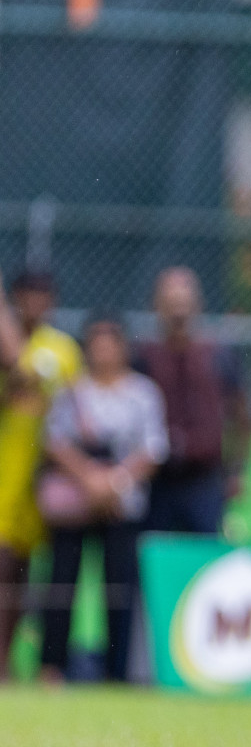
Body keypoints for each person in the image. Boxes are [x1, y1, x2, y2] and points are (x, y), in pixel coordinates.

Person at [38, 315, 167, 683]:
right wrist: (89, 479)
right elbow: (54, 440)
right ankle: (52, 667)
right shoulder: (72, 391)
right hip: (76, 501)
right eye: (97, 344)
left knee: (119, 588)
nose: (104, 352)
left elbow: (154, 448)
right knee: (63, 584)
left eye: (111, 344)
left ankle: (118, 670)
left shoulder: (142, 393)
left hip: (121, 503)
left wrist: (116, 481)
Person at [0, 269, 83, 680]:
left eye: (42, 294)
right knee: (3, 564)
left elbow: (37, 386)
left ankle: (18, 659)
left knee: (23, 571)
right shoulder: (8, 341)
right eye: (25, 295)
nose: (34, 302)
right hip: (6, 468)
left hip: (45, 476)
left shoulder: (61, 349)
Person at [134, 266, 251, 535]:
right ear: (157, 306)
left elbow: (242, 416)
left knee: (203, 556)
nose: (178, 312)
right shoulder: (145, 357)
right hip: (158, 480)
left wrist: (237, 471)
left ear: (197, 305)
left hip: (204, 478)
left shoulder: (218, 355)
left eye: (183, 303)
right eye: (170, 303)